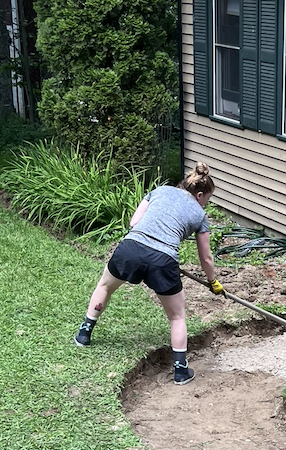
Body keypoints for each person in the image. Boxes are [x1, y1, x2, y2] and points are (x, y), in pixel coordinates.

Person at [73, 161, 225, 386]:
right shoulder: (199, 215)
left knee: (105, 286)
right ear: (200, 194)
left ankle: (84, 334)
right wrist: (213, 281)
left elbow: (134, 222)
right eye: (207, 200)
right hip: (162, 261)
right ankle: (181, 371)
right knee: (177, 316)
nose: (205, 205)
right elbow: (206, 258)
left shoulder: (160, 191)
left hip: (131, 249)